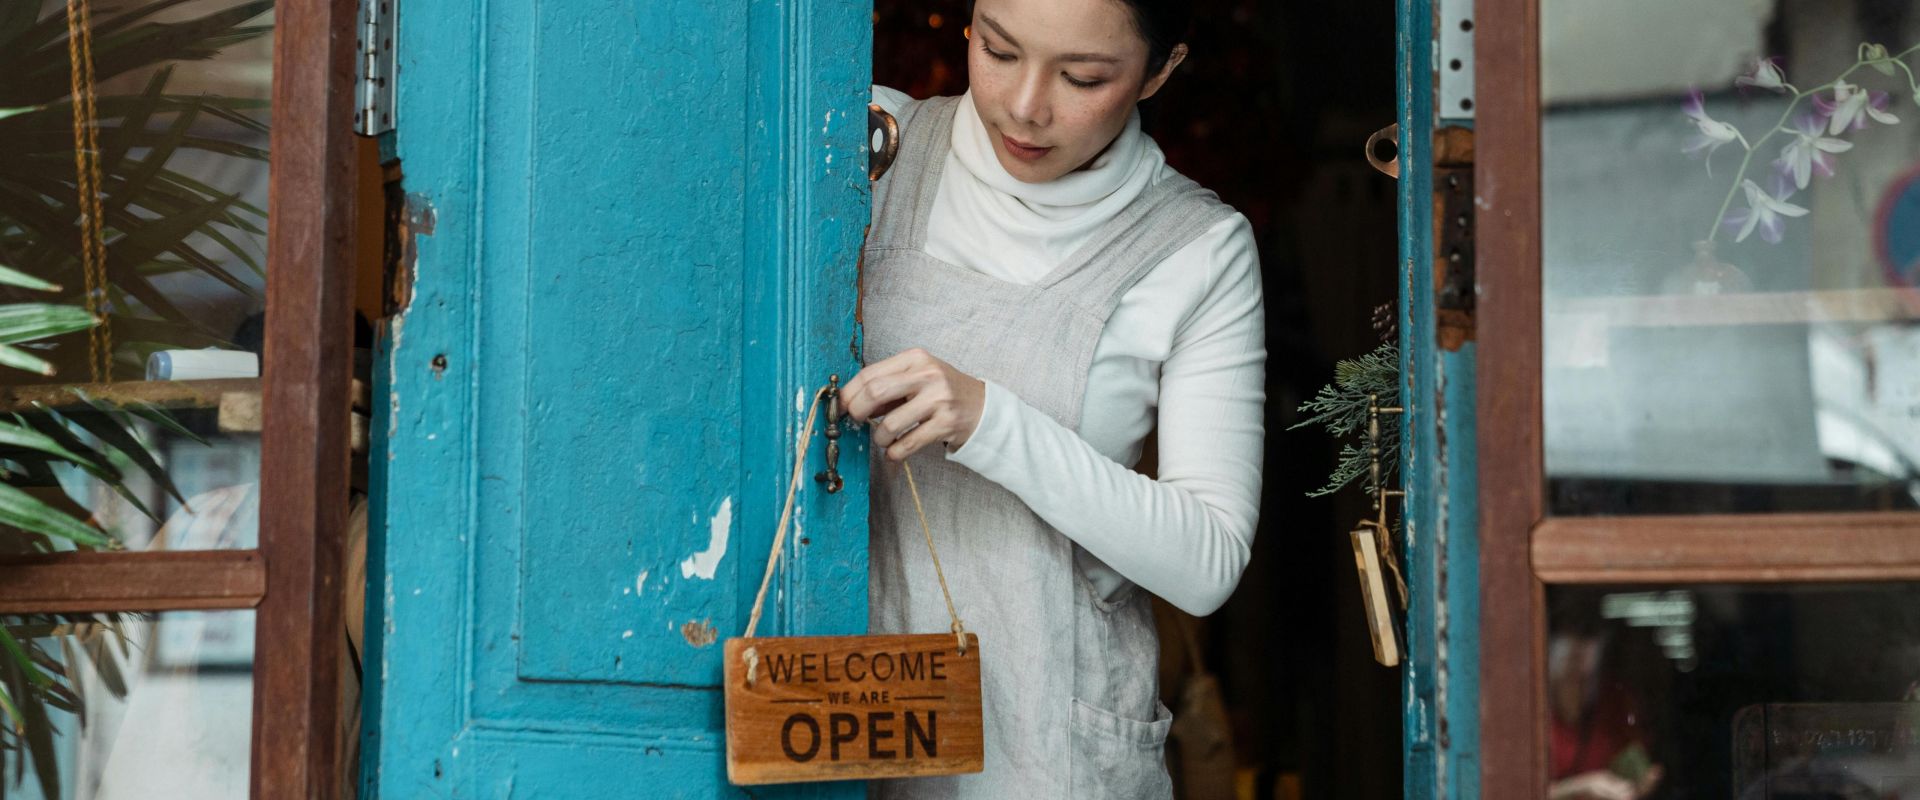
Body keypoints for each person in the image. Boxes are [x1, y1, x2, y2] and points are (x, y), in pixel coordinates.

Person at [835, 0, 1266, 796]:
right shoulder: (869, 145)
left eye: (1082, 77)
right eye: (999, 51)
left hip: (1046, 746)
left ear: (1160, 70)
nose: (1027, 105)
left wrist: (992, 421)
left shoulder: (1196, 251)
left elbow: (1207, 560)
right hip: (836, 717)